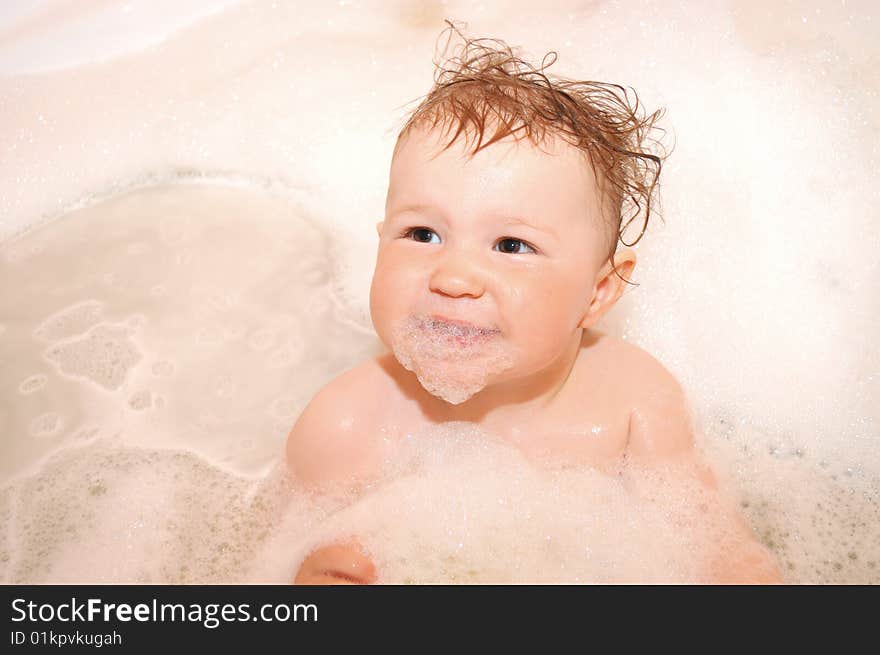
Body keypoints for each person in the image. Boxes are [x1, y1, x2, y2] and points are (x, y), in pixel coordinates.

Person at [287, 21, 782, 585]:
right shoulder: (346, 427)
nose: (453, 277)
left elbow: (716, 545)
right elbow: (282, 558)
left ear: (597, 293)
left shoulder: (633, 402)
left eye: (511, 245)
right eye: (422, 234)